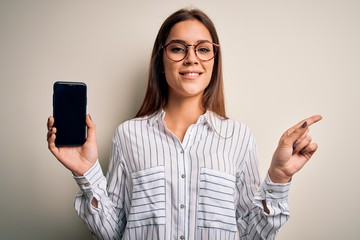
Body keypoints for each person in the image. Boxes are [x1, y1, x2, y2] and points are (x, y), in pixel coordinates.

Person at [47, 8, 322, 240]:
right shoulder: (128, 135)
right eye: (178, 48)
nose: (192, 58)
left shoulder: (238, 136)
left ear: (215, 59)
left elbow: (252, 234)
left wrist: (279, 177)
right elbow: (113, 231)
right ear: (160, 59)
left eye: (203, 49)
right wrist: (87, 173)